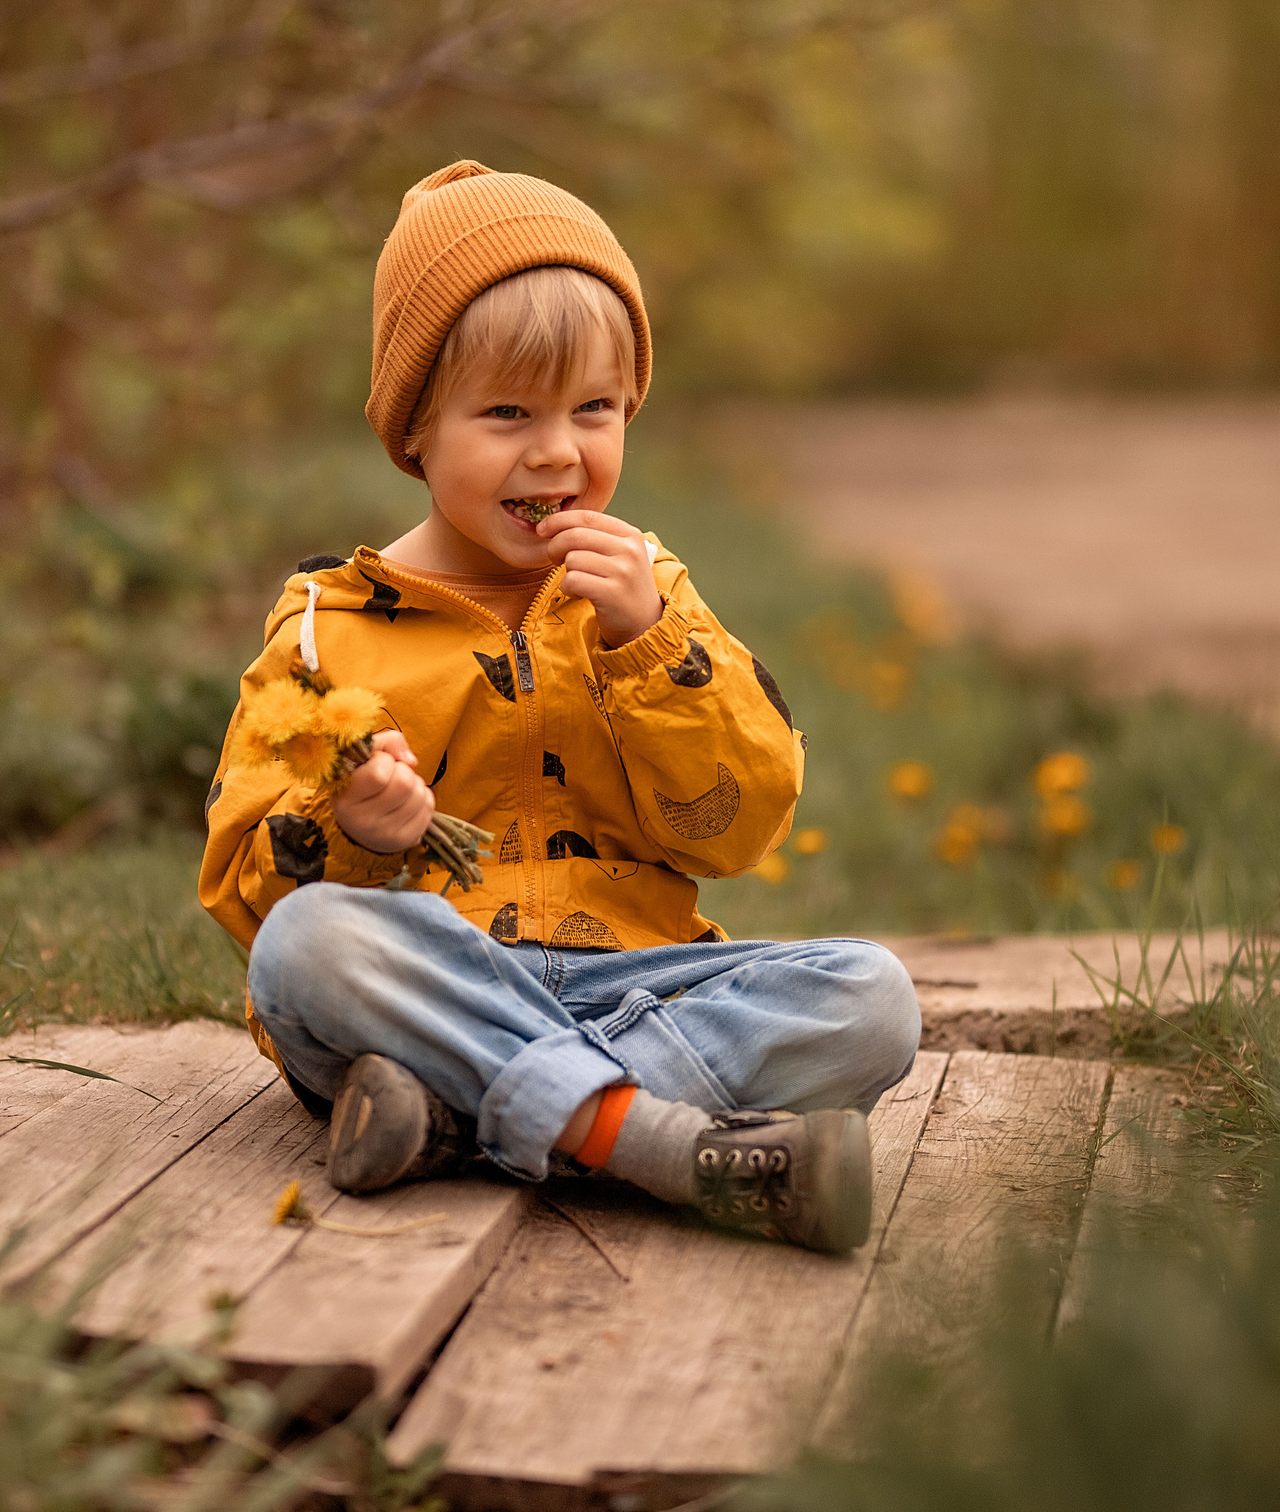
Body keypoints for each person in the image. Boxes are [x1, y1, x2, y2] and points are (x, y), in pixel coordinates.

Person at [199, 160, 921, 1254]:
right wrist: (350, 836)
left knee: (872, 995)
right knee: (304, 947)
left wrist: (647, 650)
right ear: (416, 431)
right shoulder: (326, 627)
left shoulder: (649, 599)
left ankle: (450, 1122)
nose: (556, 451)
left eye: (594, 408)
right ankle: (658, 1145)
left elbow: (734, 831)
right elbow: (243, 887)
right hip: (434, 976)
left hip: (635, 980)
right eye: (505, 413)